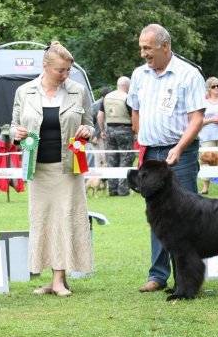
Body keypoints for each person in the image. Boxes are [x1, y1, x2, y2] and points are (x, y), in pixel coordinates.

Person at [10, 41, 94, 296]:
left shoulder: (78, 91)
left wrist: (86, 131)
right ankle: (51, 279)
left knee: (65, 220)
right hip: (38, 169)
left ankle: (59, 280)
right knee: (42, 222)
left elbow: (90, 125)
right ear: (45, 67)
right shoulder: (24, 92)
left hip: (68, 168)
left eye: (68, 70)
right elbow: (12, 126)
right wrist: (17, 133)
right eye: (60, 70)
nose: (65, 75)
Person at [131, 24, 206, 294]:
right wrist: (140, 138)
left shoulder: (189, 75)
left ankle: (185, 278)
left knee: (186, 215)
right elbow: (135, 111)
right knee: (157, 215)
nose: (143, 54)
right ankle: (158, 275)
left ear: (165, 46)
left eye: (147, 48)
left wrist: (179, 147)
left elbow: (197, 118)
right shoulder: (139, 75)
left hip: (180, 154)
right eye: (141, 47)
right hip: (151, 154)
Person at [97, 76, 134, 196]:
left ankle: (112, 190)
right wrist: (137, 131)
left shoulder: (107, 97)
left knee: (111, 159)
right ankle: (123, 190)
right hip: (125, 129)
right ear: (128, 86)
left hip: (110, 129)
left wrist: (102, 130)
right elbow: (134, 116)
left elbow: (100, 115)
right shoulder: (127, 97)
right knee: (126, 159)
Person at [88, 86, 111, 168]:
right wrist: (94, 136)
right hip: (97, 136)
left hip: (103, 135)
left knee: (102, 157)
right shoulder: (95, 106)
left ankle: (103, 178)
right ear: (102, 97)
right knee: (101, 157)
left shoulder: (107, 104)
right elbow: (89, 122)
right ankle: (100, 178)